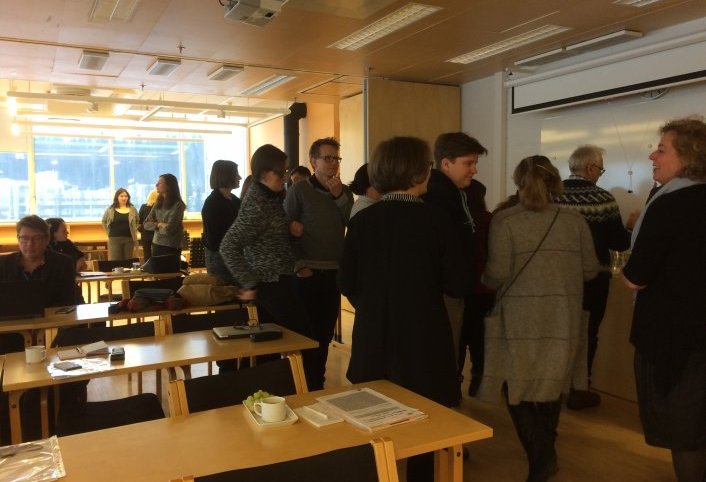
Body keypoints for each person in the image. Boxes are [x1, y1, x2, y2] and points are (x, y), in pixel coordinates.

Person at [339, 136, 465, 482]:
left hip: (374, 337)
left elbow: (346, 282)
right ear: (418, 173)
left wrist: (373, 305)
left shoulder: (362, 221)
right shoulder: (438, 221)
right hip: (424, 338)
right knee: (426, 427)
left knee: (373, 424)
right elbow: (457, 284)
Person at [479, 155, 599, 482]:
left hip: (519, 316)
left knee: (514, 383)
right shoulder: (575, 221)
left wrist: (484, 280)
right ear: (555, 183)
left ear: (518, 182)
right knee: (551, 382)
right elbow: (590, 269)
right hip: (563, 315)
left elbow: (497, 273)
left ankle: (542, 455)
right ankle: (545, 453)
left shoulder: (505, 221)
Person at [621, 117, 706, 482]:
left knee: (685, 430)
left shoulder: (669, 205)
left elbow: (635, 277)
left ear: (688, 156)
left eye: (661, 149)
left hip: (676, 340)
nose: (652, 156)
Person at [219, 145, 318, 387]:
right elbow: (228, 246)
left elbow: (269, 237)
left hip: (276, 279)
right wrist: (249, 281)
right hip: (270, 283)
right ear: (265, 173)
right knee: (305, 341)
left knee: (269, 346)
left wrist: (290, 230)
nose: (285, 177)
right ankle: (308, 391)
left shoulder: (271, 198)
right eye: (281, 172)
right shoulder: (257, 204)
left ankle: (272, 394)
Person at [553, 144, 637, 409]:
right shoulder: (603, 199)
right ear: (590, 168)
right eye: (600, 168)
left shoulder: (551, 195)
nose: (600, 173)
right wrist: (631, 227)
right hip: (592, 281)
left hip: (553, 279)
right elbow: (620, 243)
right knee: (587, 333)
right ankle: (579, 390)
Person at [284, 137, 353, 388]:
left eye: (336, 158)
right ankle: (299, 384)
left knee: (324, 334)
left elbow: (352, 223)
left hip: (333, 273)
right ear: (314, 162)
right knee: (305, 334)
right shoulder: (299, 190)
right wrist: (299, 265)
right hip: (307, 274)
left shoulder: (344, 192)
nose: (333, 163)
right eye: (327, 158)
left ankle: (317, 383)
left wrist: (338, 196)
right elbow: (285, 229)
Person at [422, 132, 487, 370]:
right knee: (444, 357)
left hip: (450, 290)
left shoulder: (453, 193)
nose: (474, 170)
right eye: (468, 163)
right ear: (446, 164)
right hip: (443, 293)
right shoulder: (438, 196)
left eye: (475, 163)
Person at [0, 215, 79, 353]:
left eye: (36, 238)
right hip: (10, 329)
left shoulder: (63, 263)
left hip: (50, 325)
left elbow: (68, 301)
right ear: (18, 238)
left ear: (47, 239)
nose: (30, 244)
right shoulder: (3, 264)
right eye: (24, 238)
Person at [458, 179, 494, 397]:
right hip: (484, 287)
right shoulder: (489, 219)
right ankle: (478, 380)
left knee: (459, 336)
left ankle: (455, 380)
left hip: (460, 286)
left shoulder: (457, 218)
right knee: (480, 337)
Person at [201, 160, 241, 284]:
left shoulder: (235, 200)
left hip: (233, 256)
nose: (239, 177)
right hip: (219, 259)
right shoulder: (212, 203)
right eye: (236, 174)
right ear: (226, 176)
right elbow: (214, 240)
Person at [143, 174, 186, 257]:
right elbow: (146, 224)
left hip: (171, 246)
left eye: (160, 183)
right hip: (156, 244)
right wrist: (159, 225)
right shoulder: (158, 203)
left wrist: (155, 227)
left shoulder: (178, 205)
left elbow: (169, 230)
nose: (156, 185)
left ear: (169, 186)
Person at [101, 188, 138, 260]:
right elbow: (104, 221)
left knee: (128, 260)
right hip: (114, 239)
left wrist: (134, 229)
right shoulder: (111, 209)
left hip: (129, 238)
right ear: (117, 197)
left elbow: (137, 220)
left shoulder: (132, 209)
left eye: (126, 196)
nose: (124, 198)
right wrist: (109, 232)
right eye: (121, 196)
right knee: (116, 260)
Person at [138, 189, 158, 262]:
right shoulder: (161, 207)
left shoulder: (143, 207)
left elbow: (139, 221)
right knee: (157, 254)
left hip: (146, 234)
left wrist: (142, 230)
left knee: (147, 254)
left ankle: (148, 268)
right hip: (158, 234)